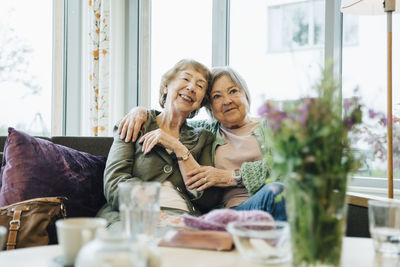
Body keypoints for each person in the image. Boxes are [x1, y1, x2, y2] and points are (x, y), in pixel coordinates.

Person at [119, 66, 286, 221]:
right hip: (228, 213)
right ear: (209, 107)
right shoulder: (204, 132)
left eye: (233, 91)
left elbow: (289, 169)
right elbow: (171, 120)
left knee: (277, 191)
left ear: (246, 94)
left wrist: (231, 176)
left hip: (274, 201)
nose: (227, 101)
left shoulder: (273, 127)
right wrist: (140, 112)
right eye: (217, 96)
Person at [97, 59, 222, 231]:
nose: (192, 87)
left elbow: (209, 199)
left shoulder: (203, 137)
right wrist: (154, 213)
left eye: (200, 86)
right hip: (131, 214)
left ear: (200, 101)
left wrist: (178, 148)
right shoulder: (136, 123)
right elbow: (114, 181)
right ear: (166, 86)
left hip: (183, 218)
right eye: (185, 79)